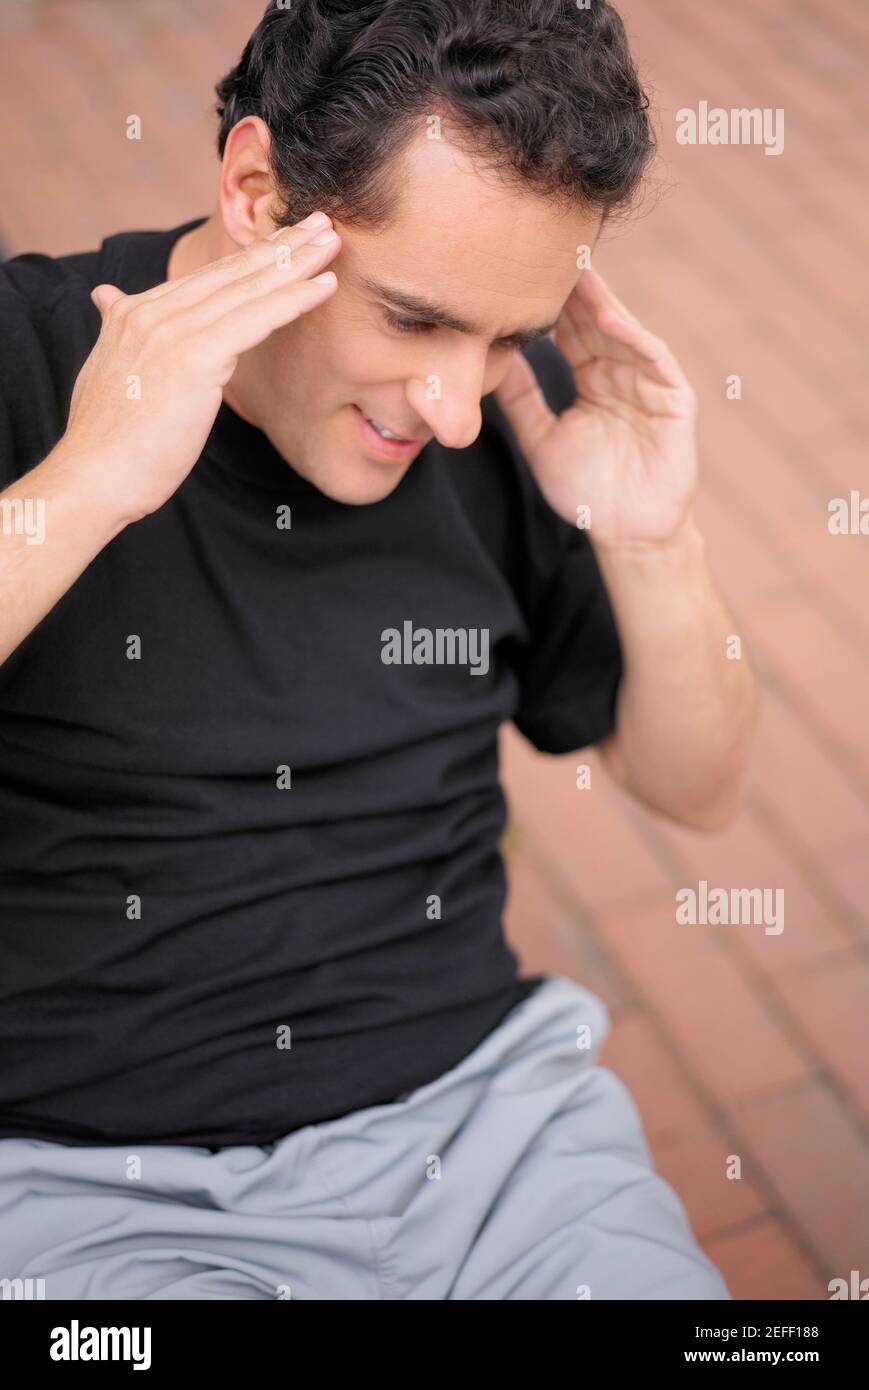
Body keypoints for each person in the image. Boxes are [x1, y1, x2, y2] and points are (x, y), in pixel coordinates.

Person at [0, 0, 753, 1299]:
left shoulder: (520, 419)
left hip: (490, 1142)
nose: (457, 410)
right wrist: (90, 482)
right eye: (411, 319)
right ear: (254, 192)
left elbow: (695, 786)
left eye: (503, 334)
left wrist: (649, 535)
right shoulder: (23, 356)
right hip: (89, 1182)